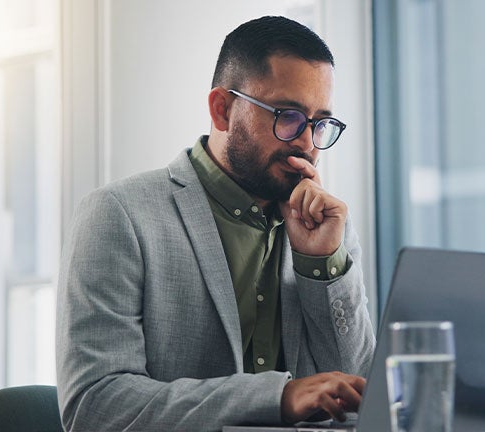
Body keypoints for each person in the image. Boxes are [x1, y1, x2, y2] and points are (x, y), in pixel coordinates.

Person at [56, 16, 375, 431]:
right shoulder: (119, 215)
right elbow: (95, 406)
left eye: (320, 124)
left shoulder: (328, 228)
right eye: (288, 116)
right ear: (222, 109)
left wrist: (322, 265)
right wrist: (276, 399)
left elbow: (358, 398)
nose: (307, 142)